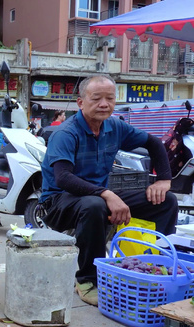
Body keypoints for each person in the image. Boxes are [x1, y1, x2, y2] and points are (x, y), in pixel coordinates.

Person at [39, 74, 177, 306]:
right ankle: (87, 280)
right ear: (81, 102)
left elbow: (154, 142)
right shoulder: (66, 133)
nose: (104, 104)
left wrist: (164, 179)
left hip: (98, 196)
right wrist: (107, 194)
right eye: (96, 98)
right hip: (58, 201)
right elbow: (62, 178)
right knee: (94, 205)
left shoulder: (115, 127)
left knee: (166, 201)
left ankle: (156, 268)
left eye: (110, 98)